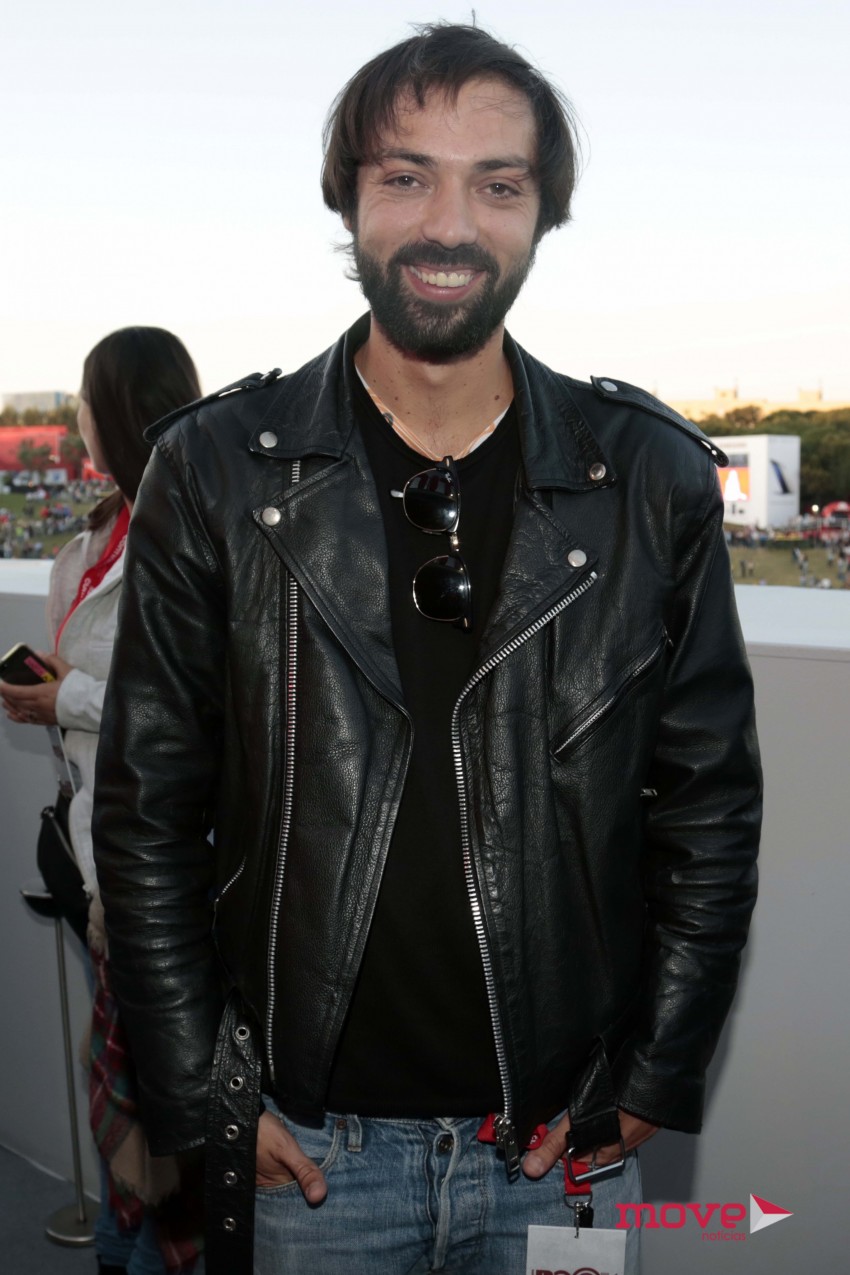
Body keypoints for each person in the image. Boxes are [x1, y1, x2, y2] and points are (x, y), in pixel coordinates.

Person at [92, 24, 762, 1275]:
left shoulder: (648, 478)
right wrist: (198, 1089)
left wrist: (651, 1074)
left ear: (543, 213)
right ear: (347, 198)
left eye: (496, 184)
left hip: (558, 1146)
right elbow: (147, 812)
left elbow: (708, 812)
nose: (449, 226)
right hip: (309, 1155)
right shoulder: (215, 469)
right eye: (406, 177)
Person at [2, 326, 203, 1275]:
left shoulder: (190, 525)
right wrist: (56, 690)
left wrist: (65, 697)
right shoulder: (103, 525)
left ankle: (143, 1250)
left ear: (117, 408)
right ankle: (127, 1246)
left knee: (162, 1107)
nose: (75, 414)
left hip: (160, 860)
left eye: (84, 398)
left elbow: (190, 694)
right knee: (124, 1091)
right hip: (99, 853)